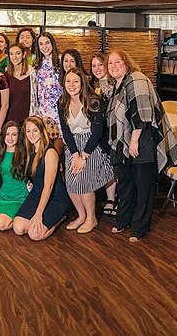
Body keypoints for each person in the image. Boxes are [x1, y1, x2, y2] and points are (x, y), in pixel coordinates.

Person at [107, 50, 177, 242]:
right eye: (110, 63)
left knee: (143, 187)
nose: (113, 66)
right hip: (124, 146)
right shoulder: (117, 85)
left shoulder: (136, 79)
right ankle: (123, 221)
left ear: (127, 62)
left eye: (118, 62)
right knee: (126, 186)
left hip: (141, 142)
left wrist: (134, 141)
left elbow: (143, 114)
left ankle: (139, 228)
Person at [58, 67, 112, 234]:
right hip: (73, 145)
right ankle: (81, 216)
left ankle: (91, 218)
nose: (71, 85)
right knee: (70, 183)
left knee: (83, 181)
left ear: (82, 82)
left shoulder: (93, 101)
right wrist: (74, 154)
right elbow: (66, 131)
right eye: (68, 81)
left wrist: (84, 156)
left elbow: (97, 132)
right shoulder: (62, 102)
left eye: (75, 81)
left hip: (91, 145)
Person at [13, 117, 71, 241]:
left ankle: (60, 217)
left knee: (35, 234)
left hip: (55, 198)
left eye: (35, 130)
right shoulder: (30, 150)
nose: (31, 134)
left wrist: (38, 214)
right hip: (37, 194)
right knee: (18, 228)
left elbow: (48, 187)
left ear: (41, 130)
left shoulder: (50, 152)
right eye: (28, 131)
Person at [0, 122, 29, 231]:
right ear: (3, 136)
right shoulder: (0, 152)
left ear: (19, 136)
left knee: (1, 224)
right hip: (3, 193)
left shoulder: (24, 154)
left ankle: (21, 220)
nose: (10, 138)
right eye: (7, 134)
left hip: (19, 195)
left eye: (14, 134)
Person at [90, 52, 117, 216]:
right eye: (94, 66)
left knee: (113, 165)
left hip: (112, 130)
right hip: (99, 131)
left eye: (100, 64)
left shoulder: (114, 85)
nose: (97, 68)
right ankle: (107, 197)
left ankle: (113, 199)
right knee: (105, 164)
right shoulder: (94, 85)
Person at [30, 32, 63, 126]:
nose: (44, 47)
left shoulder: (61, 60)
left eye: (47, 43)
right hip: (43, 110)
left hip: (60, 107)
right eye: (41, 44)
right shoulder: (36, 64)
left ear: (52, 43)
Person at [5, 44, 31, 124]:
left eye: (18, 53)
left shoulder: (33, 74)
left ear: (24, 55)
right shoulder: (6, 76)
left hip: (29, 119)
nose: (14, 57)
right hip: (11, 120)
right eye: (11, 54)